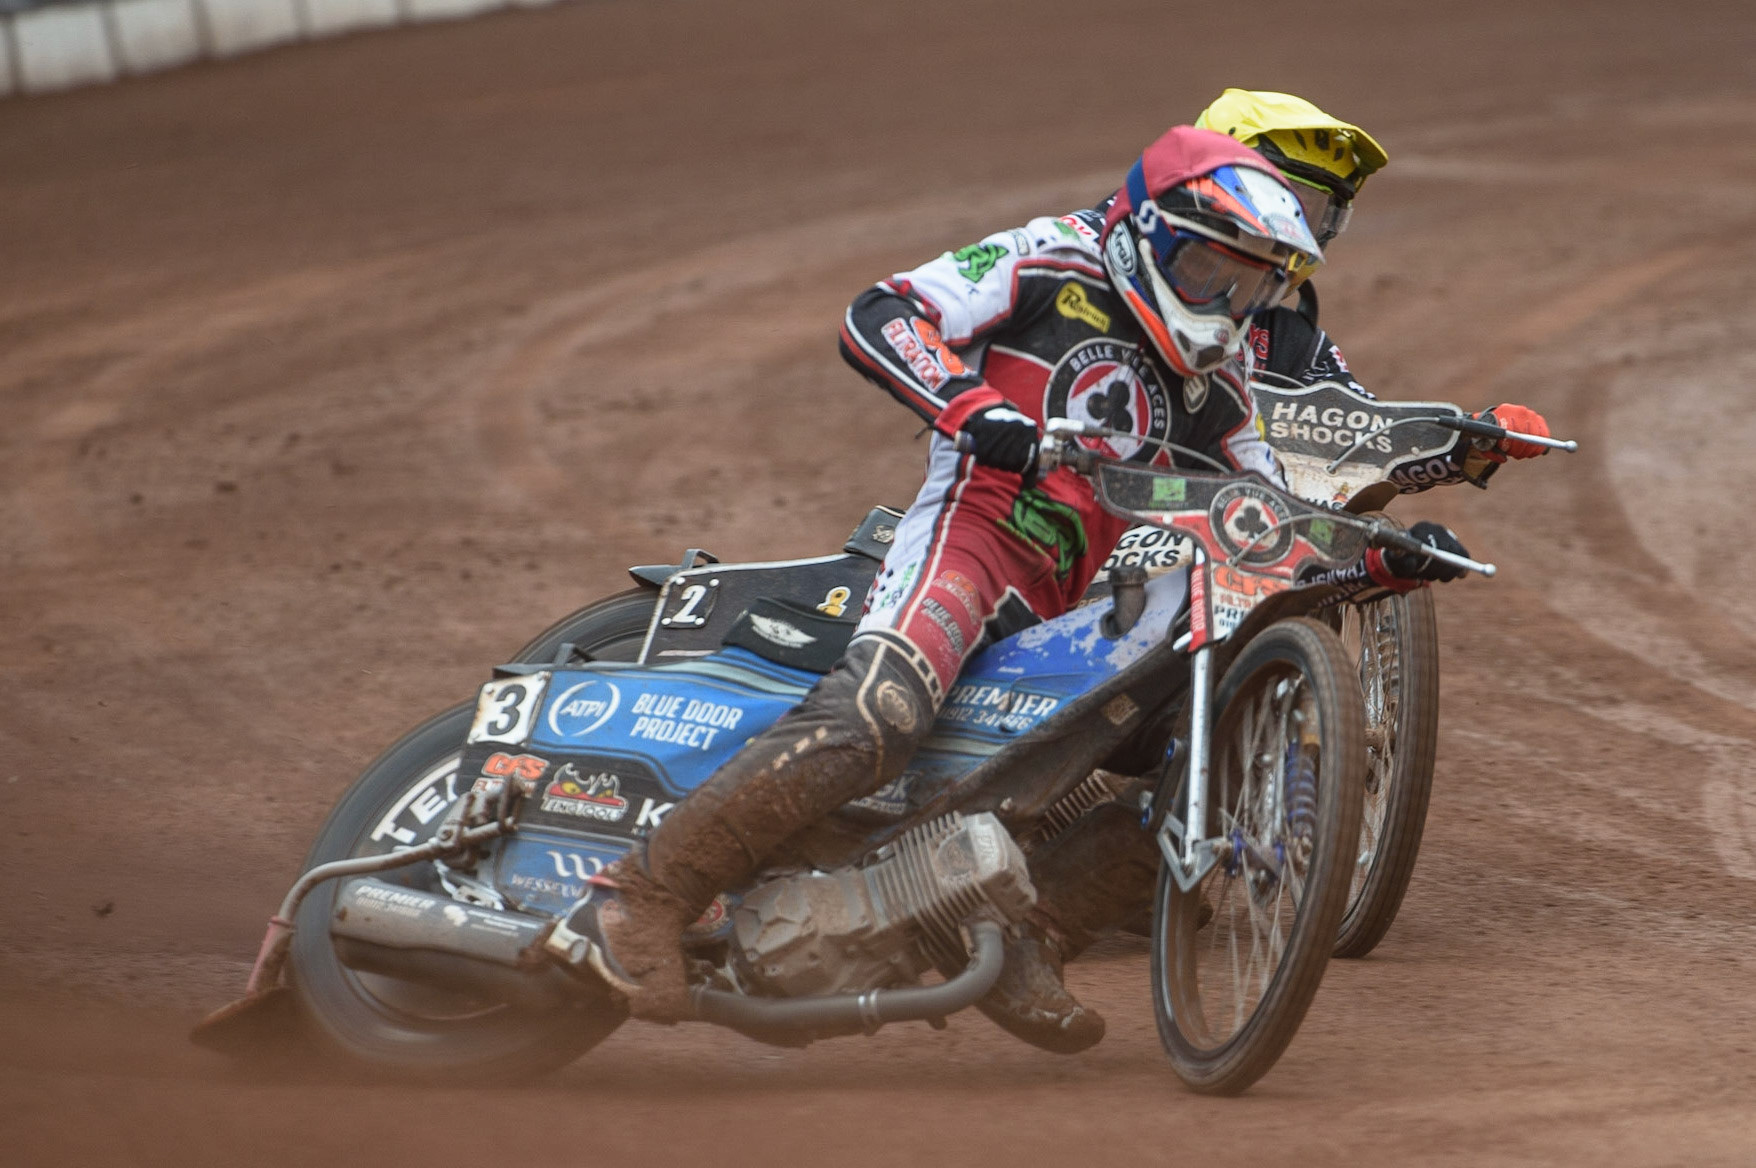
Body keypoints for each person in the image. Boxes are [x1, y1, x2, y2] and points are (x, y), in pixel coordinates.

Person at [568, 125, 1471, 1052]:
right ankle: (640, 896)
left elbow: (1269, 518)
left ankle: (1034, 934)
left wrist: (1374, 563)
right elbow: (883, 313)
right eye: (1208, 271)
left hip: (1069, 599)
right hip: (971, 542)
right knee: (878, 717)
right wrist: (973, 409)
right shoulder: (1050, 257)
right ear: (1150, 235)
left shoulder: (1223, 373)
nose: (1225, 304)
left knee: (1197, 761)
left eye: (1248, 287)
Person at [1197, 88, 1553, 477]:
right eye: (1274, 204)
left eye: (1310, 215)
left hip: (1229, 512)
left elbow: (1366, 439)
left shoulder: (1289, 343)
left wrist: (1473, 438)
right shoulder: (1141, 287)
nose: (1290, 233)